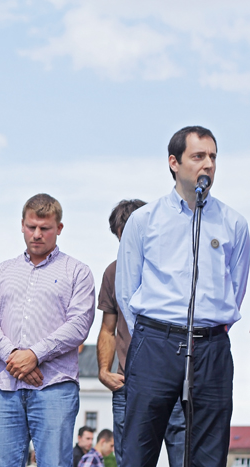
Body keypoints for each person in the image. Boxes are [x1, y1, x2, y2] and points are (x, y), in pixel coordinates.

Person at [116, 126, 250, 467]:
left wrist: (209, 330)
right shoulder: (143, 221)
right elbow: (127, 289)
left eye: (213, 157)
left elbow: (235, 289)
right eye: (198, 156)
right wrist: (154, 332)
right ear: (174, 162)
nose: (208, 164)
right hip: (155, 344)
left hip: (211, 348)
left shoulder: (234, 224)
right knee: (138, 450)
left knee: (209, 454)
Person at [0, 193, 96, 467]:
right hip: (4, 387)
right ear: (22, 225)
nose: (37, 234)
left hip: (54, 387)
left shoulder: (77, 272)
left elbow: (79, 325)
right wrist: (15, 356)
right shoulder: (2, 272)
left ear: (59, 228)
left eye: (45, 228)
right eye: (31, 227)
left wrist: (34, 355)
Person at [97, 199, 185, 467]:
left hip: (174, 382)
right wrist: (103, 371)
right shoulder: (113, 272)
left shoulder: (173, 270)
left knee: (185, 460)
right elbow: (107, 329)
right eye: (123, 238)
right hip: (129, 383)